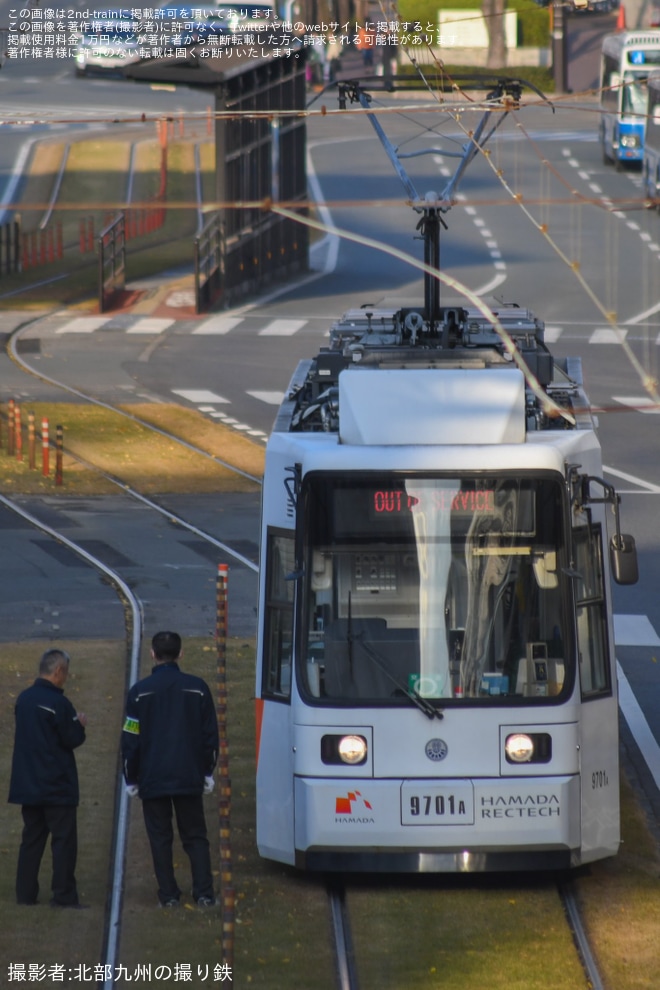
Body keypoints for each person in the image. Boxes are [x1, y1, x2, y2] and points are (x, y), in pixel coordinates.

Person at [121, 631, 219, 908]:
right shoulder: (197, 688)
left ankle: (169, 895)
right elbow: (209, 736)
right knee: (195, 836)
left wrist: (131, 776)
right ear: (180, 654)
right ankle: (204, 892)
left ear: (152, 654)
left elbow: (131, 738)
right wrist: (207, 771)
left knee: (160, 838)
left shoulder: (139, 693)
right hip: (189, 774)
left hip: (152, 777)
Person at [8, 648, 88, 908]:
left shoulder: (24, 699)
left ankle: (25, 894)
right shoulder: (58, 704)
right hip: (56, 786)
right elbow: (71, 738)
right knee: (63, 841)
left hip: (28, 784)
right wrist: (80, 724)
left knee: (31, 839)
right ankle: (63, 894)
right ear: (58, 672)